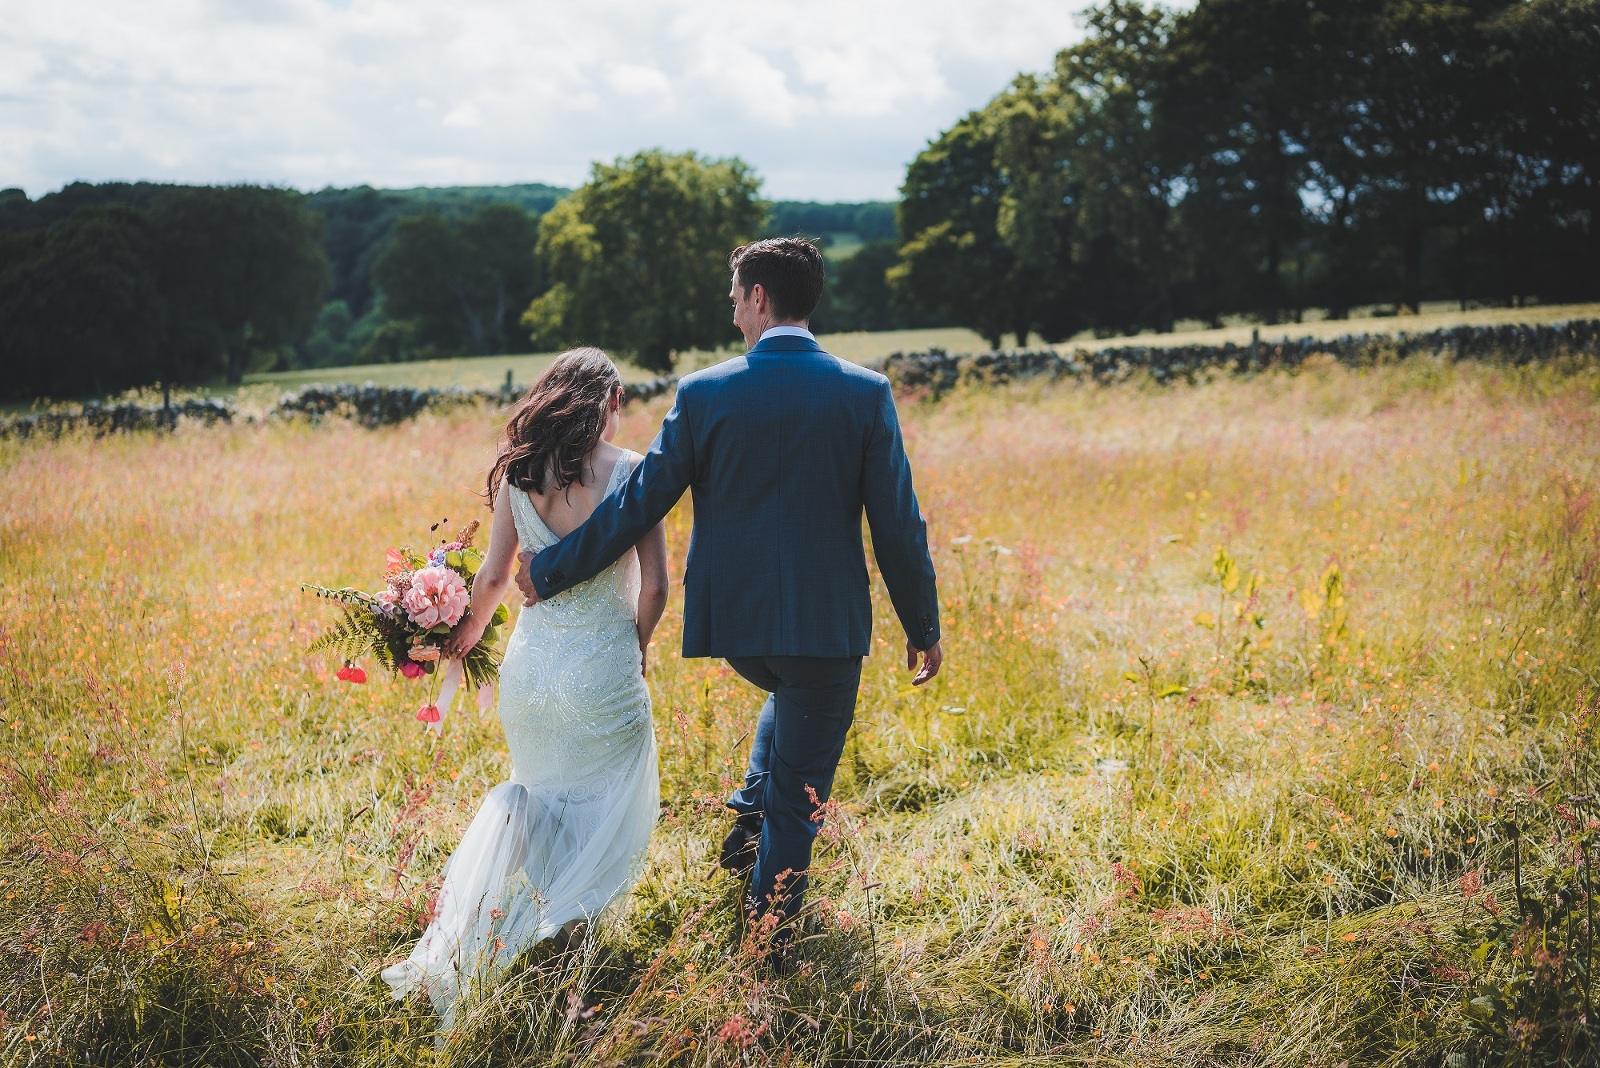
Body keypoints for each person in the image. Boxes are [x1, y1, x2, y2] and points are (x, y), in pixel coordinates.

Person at [515, 237, 942, 946]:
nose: (734, 313)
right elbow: (898, 520)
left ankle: (748, 818)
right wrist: (921, 624)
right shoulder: (865, 392)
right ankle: (765, 939)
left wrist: (553, 568)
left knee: (787, 701)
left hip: (737, 629)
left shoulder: (705, 390)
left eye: (737, 299)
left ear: (761, 299)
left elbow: (640, 503)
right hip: (824, 631)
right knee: (800, 798)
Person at [381, 348, 669, 1027]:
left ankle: (519, 930)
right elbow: (655, 585)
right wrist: (641, 646)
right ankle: (569, 936)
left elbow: (491, 579)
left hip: (532, 671)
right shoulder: (633, 472)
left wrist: (463, 637)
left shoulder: (518, 471)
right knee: (604, 800)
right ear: (611, 401)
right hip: (602, 668)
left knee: (539, 794)